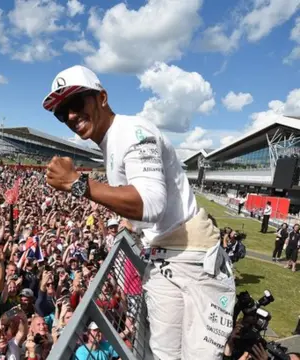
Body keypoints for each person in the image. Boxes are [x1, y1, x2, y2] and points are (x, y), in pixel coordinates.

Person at [42, 65, 235, 360]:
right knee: (163, 354)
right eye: (61, 112)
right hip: (166, 256)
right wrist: (129, 222)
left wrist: (76, 184)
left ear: (102, 98)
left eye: (76, 102)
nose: (69, 115)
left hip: (194, 260)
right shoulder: (111, 142)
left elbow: (152, 205)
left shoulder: (132, 132)